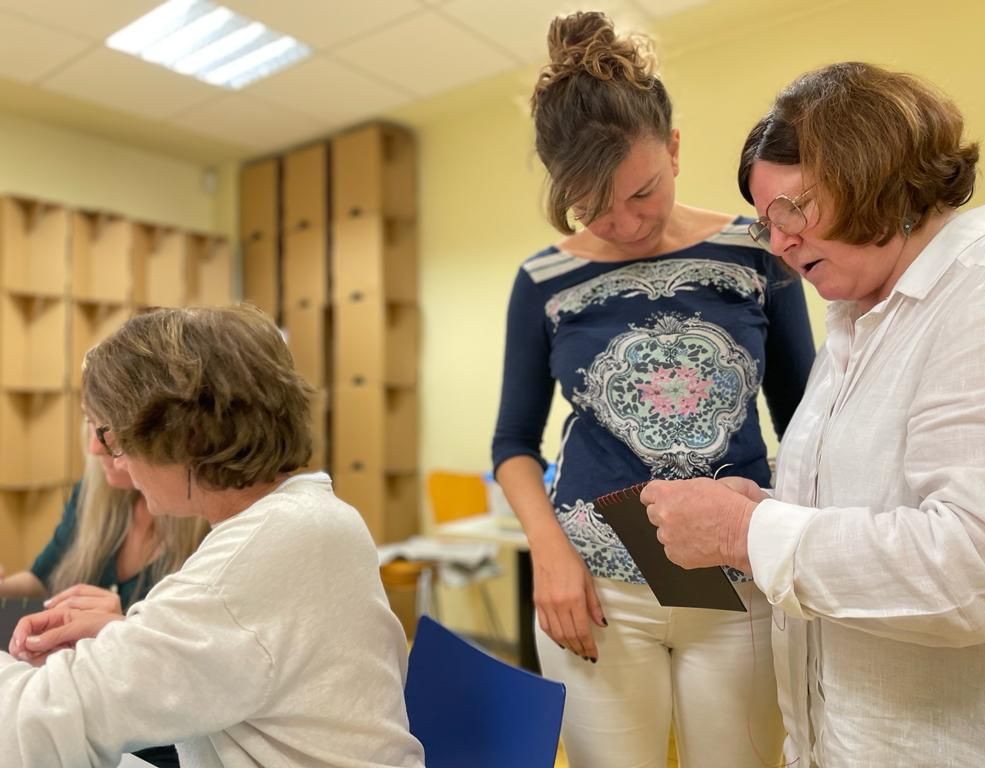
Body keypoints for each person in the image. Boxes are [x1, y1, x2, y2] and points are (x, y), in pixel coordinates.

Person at [642, 61, 985, 767]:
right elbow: (860, 511)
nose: (780, 243)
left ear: (868, 171)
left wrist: (746, 530)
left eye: (792, 211)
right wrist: (765, 504)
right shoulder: (855, 317)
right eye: (768, 224)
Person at [491, 11, 815, 767]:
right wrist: (549, 552)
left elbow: (805, 419)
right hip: (595, 593)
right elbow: (512, 442)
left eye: (642, 191)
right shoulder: (544, 281)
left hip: (731, 581)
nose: (624, 223)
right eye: (591, 207)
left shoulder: (756, 253)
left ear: (673, 148)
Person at [0, 305, 425, 768]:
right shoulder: (312, 517)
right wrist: (136, 637)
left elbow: (34, 727)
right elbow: (240, 649)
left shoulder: (254, 557)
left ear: (185, 436)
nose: (114, 459)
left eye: (114, 435)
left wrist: (136, 644)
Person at [0, 427, 208, 768]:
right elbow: (42, 576)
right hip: (86, 714)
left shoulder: (211, 531)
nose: (94, 448)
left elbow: (198, 665)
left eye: (107, 432)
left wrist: (123, 628)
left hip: (158, 742)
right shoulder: (94, 496)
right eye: (89, 427)